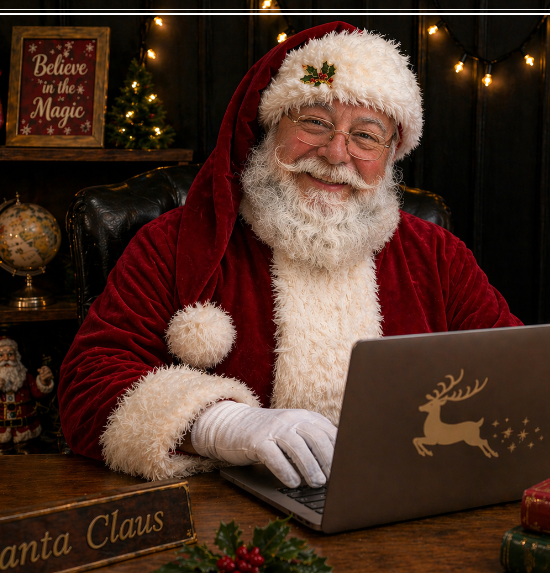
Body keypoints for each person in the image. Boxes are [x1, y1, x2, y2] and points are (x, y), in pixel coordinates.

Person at [59, 22, 521, 487]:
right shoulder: (173, 243)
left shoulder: (437, 255)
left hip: (407, 496)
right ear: (271, 127)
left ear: (390, 155)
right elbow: (88, 384)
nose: (336, 153)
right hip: (229, 508)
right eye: (315, 122)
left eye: (365, 136)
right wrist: (222, 424)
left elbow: (517, 370)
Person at [0, 337, 54, 455]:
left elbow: (37, 393)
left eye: (10, 354)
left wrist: (44, 382)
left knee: (26, 457)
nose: (6, 358)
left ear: (16, 356)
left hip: (25, 430)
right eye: (1, 355)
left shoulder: (24, 376)